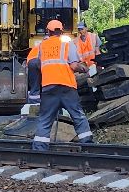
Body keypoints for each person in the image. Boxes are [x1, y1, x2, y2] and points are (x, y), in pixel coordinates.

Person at [28, 18, 92, 150]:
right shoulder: (67, 44)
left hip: (48, 87)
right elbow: (74, 66)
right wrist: (85, 69)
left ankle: (39, 148)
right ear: (61, 31)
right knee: (78, 115)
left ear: (48, 31)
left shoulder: (42, 46)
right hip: (67, 87)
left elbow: (38, 64)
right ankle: (87, 144)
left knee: (45, 119)